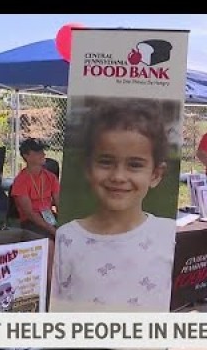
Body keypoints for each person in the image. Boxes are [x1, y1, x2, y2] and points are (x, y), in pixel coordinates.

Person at [50, 98, 177, 312]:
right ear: (88, 168)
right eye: (106, 162)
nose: (118, 176)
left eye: (135, 165)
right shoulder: (67, 238)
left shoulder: (168, 235)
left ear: (156, 174)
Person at [11, 137, 60, 294]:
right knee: (51, 245)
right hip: (32, 225)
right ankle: (51, 291)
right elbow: (30, 215)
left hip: (50, 219)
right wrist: (53, 230)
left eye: (42, 151)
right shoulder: (21, 181)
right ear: (26, 156)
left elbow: (60, 204)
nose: (43, 154)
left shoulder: (50, 177)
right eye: (38, 151)